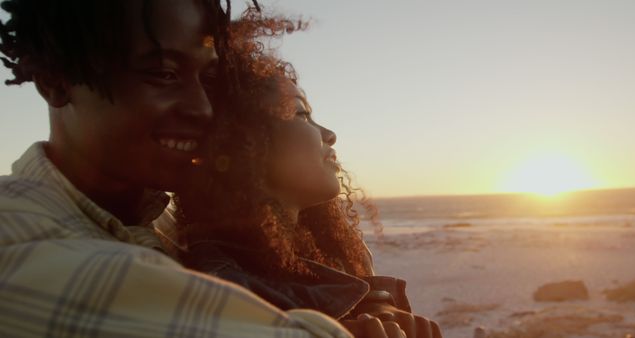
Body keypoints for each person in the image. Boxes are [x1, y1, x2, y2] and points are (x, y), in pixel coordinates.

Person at [0, 0, 397, 336]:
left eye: (205, 79)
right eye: (164, 73)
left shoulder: (172, 226)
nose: (202, 108)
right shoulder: (21, 243)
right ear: (55, 79)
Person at [169, 24, 442, 337]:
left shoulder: (300, 248)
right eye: (301, 115)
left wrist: (376, 303)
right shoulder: (231, 292)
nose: (329, 134)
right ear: (242, 142)